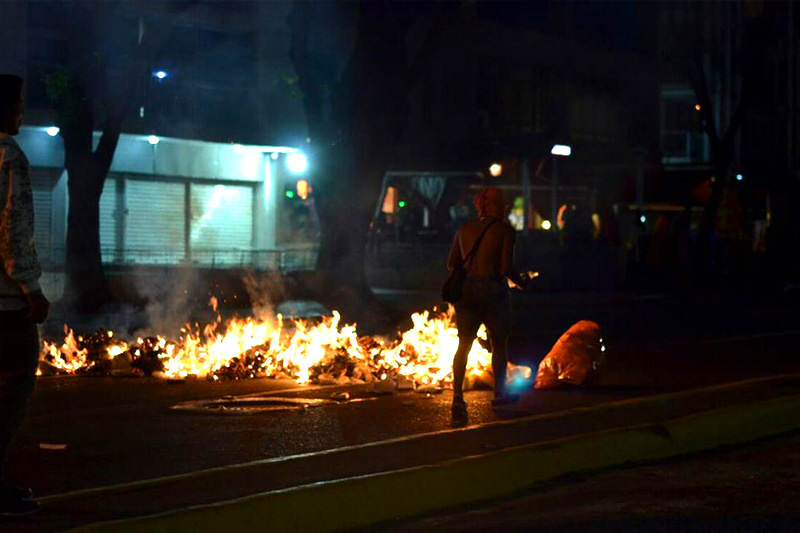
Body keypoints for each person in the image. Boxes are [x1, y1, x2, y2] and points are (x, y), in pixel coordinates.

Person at [0, 74, 49, 516]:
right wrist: (32, 291)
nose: (22, 112)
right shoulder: (9, 157)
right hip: (6, 306)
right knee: (12, 390)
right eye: (18, 102)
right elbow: (14, 233)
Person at [447, 187, 527, 412]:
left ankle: (457, 397)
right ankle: (499, 393)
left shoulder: (464, 229)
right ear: (498, 206)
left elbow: (452, 263)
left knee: (464, 345)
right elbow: (505, 268)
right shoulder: (504, 231)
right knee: (499, 344)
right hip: (493, 292)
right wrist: (522, 282)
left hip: (467, 292)